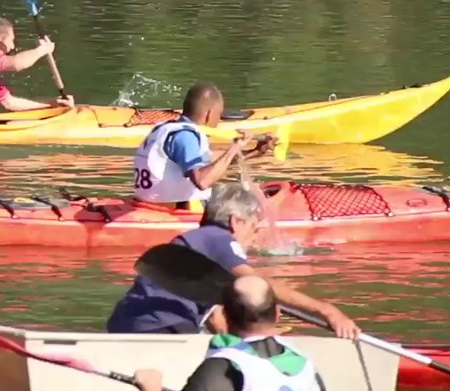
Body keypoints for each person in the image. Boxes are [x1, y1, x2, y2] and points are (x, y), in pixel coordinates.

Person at [106, 184, 359, 338]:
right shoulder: (219, 239)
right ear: (236, 221)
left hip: (123, 324)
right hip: (163, 329)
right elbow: (255, 283)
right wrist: (326, 309)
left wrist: (254, 340)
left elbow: (217, 321)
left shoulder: (196, 244)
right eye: (254, 226)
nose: (256, 234)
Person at [134, 275, 333, 391]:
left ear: (225, 315)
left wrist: (152, 389)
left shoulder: (220, 370)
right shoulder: (306, 369)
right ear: (278, 313)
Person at [132, 83, 277, 210]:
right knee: (244, 198)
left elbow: (213, 161)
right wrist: (235, 147)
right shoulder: (186, 136)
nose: (218, 121)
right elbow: (203, 181)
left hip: (148, 204)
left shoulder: (166, 128)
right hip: (178, 210)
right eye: (219, 115)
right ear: (209, 114)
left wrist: (256, 151)